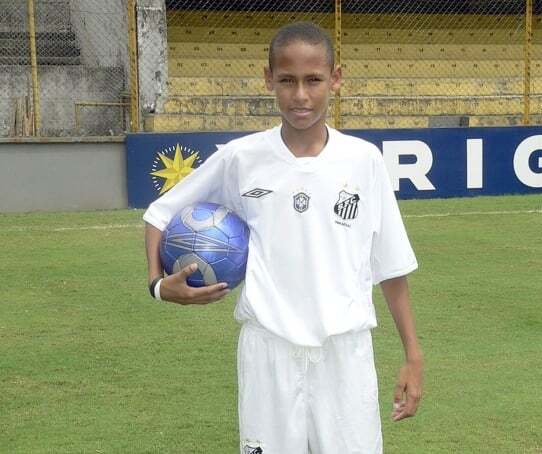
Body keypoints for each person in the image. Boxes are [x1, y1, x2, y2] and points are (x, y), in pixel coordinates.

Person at [143, 21, 423, 454]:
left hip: (345, 355)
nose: (301, 96)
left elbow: (390, 266)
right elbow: (160, 213)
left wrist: (412, 356)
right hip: (268, 351)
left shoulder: (364, 161)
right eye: (287, 81)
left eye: (314, 80)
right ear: (268, 78)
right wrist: (159, 285)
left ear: (336, 78)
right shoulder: (241, 157)